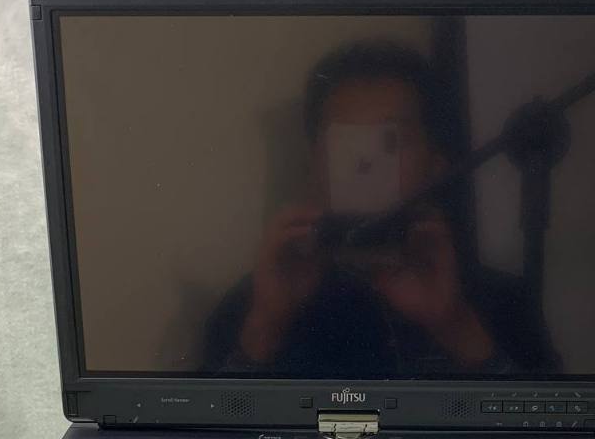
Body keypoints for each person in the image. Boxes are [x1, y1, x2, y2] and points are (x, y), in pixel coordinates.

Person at [201, 40, 560, 377]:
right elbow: (197, 421)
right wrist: (265, 327)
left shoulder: (500, 303)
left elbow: (552, 419)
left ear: (437, 161)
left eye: (391, 141)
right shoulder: (255, 304)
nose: (365, 165)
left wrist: (458, 328)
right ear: (314, 162)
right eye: (346, 142)